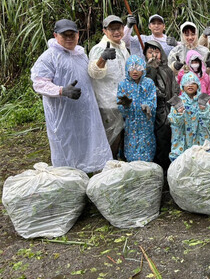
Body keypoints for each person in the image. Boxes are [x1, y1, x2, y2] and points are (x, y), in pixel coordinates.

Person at [31, 19, 112, 173]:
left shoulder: (80, 54)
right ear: (56, 35)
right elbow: (39, 82)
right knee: (67, 144)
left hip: (85, 111)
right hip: (63, 113)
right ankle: (68, 178)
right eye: (64, 35)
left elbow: (90, 74)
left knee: (87, 140)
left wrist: (102, 59)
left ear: (78, 35)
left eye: (72, 34)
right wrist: (61, 90)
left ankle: (88, 171)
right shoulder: (49, 57)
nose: (69, 38)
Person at [88, 15, 131, 158]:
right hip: (107, 103)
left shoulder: (122, 46)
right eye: (111, 29)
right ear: (105, 31)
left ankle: (118, 164)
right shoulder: (99, 48)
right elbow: (93, 73)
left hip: (124, 99)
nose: (116, 32)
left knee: (122, 135)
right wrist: (103, 58)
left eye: (118, 28)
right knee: (111, 137)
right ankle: (106, 167)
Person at [143, 40, 179, 172]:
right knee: (158, 141)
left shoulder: (167, 70)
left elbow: (175, 87)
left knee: (169, 140)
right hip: (154, 112)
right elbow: (147, 87)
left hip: (170, 109)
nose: (153, 55)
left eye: (156, 52)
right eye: (150, 52)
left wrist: (174, 102)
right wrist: (151, 69)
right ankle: (159, 170)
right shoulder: (145, 70)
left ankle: (169, 168)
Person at [168, 72, 210, 161]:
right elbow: (174, 122)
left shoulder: (202, 100)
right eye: (186, 83)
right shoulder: (178, 101)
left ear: (198, 85)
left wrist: (203, 110)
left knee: (202, 161)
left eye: (193, 83)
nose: (190, 85)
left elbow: (209, 121)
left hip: (200, 138)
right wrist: (179, 114)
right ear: (182, 86)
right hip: (183, 139)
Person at [117, 55, 157, 162]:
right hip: (131, 124)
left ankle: (147, 167)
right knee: (131, 145)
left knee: (147, 144)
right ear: (127, 69)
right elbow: (120, 106)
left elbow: (152, 100)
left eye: (138, 68)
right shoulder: (123, 85)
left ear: (143, 68)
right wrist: (125, 106)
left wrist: (147, 106)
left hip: (146, 123)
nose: (135, 71)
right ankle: (132, 165)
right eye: (131, 68)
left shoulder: (149, 83)